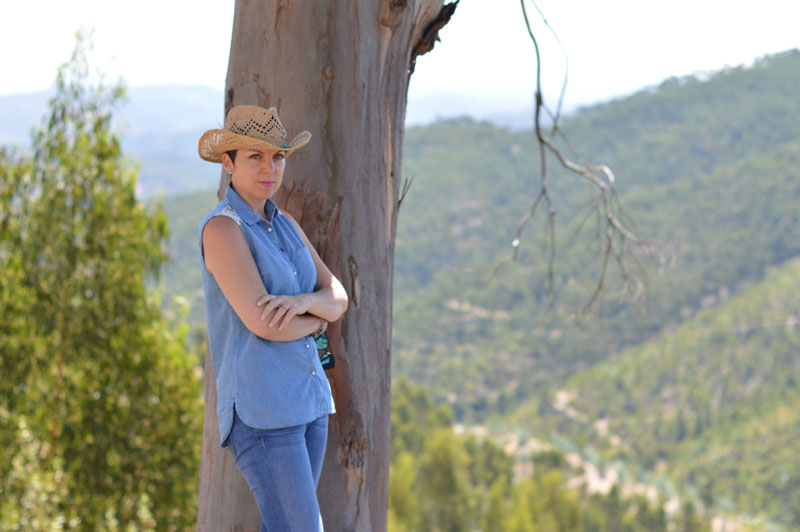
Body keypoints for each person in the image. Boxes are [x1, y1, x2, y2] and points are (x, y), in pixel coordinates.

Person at [197, 105, 348, 531]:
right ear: (228, 163)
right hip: (264, 411)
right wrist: (317, 320)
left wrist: (303, 302)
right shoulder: (222, 229)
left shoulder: (286, 225)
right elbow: (265, 323)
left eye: (278, 156)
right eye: (255, 157)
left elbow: (337, 296)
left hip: (309, 401)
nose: (270, 167)